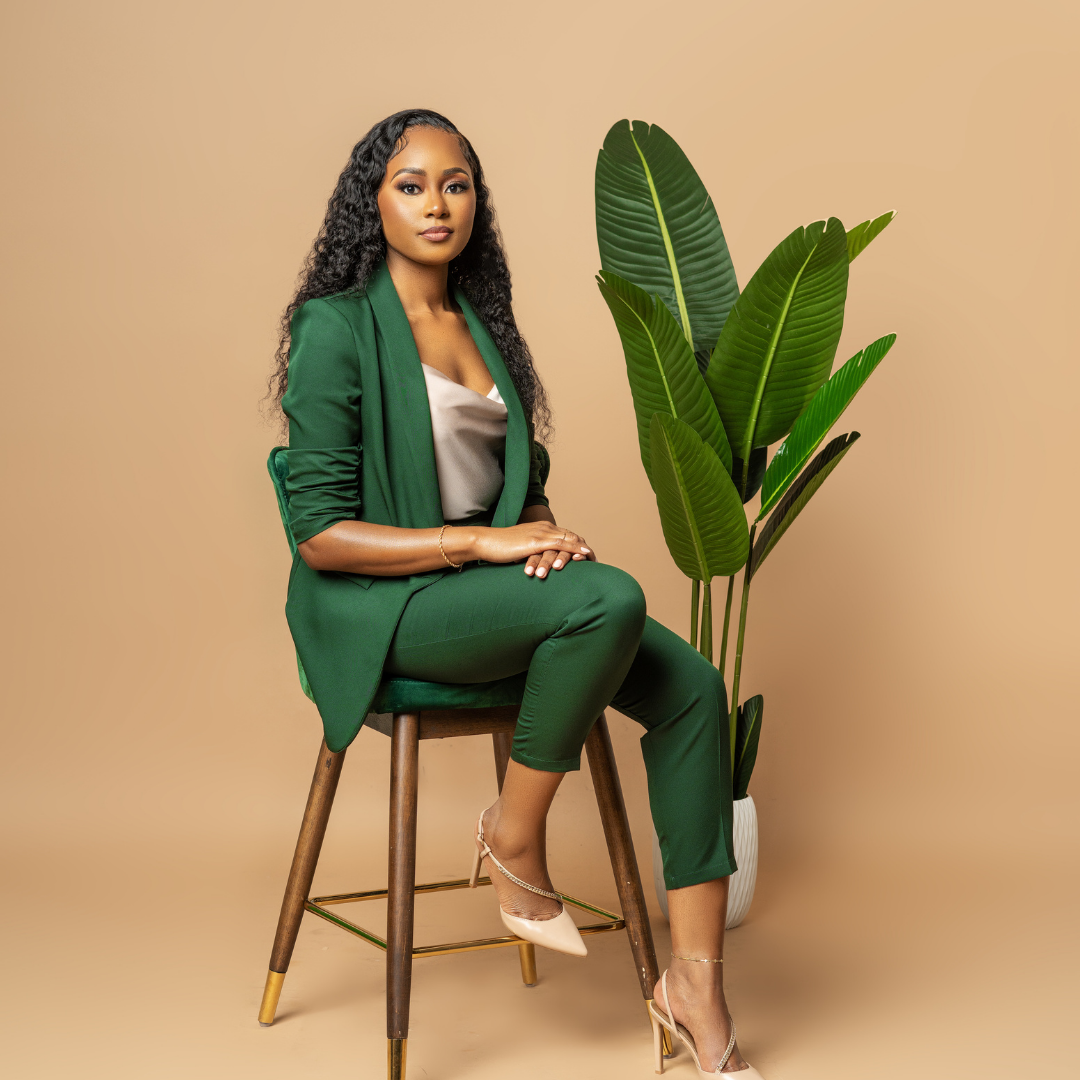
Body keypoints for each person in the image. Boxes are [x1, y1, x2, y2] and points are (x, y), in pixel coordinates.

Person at [270, 107, 762, 1077]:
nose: (437, 204)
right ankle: (513, 835)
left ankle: (694, 985)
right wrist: (480, 547)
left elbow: (511, 491)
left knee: (695, 691)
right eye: (410, 185)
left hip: (481, 590)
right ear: (371, 202)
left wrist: (533, 540)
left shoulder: (481, 326)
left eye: (456, 184)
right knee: (609, 601)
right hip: (389, 611)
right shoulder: (336, 328)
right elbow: (320, 534)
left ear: (477, 201)